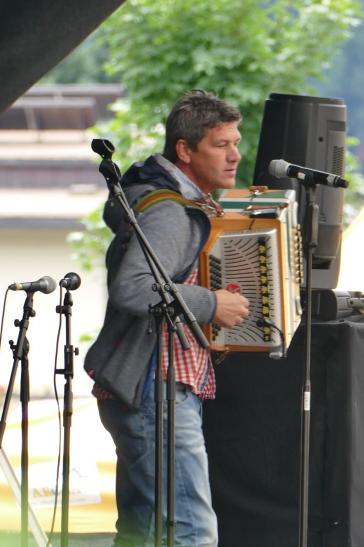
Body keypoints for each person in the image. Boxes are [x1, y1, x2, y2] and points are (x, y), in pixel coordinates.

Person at [84, 89, 250, 546]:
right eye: (222, 145)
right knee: (190, 532)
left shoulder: (166, 202)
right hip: (157, 385)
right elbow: (133, 289)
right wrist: (212, 304)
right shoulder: (171, 214)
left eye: (236, 142)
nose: (235, 155)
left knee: (144, 531)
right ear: (185, 149)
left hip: (145, 385)